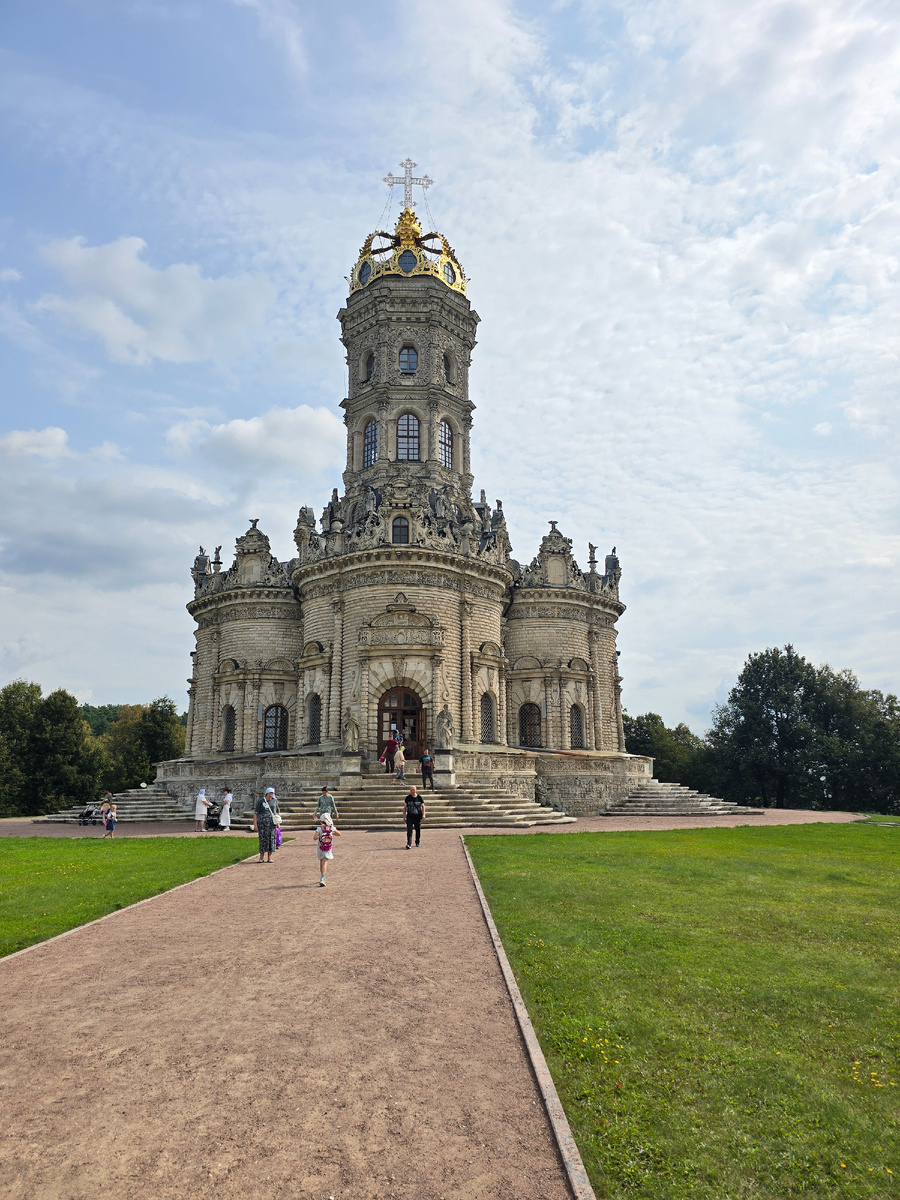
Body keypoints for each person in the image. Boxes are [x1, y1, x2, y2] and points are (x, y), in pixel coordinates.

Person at [253, 787, 280, 863]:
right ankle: (261, 857)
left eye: (272, 793)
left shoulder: (275, 801)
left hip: (272, 823)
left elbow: (277, 812)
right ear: (267, 793)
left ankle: (269, 857)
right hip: (262, 823)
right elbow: (256, 813)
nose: (271, 795)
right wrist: (255, 825)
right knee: (262, 839)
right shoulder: (261, 801)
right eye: (270, 793)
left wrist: (278, 823)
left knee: (271, 839)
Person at [314, 813, 341, 886]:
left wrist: (320, 835)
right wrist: (331, 833)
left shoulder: (319, 828)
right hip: (328, 847)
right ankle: (323, 877)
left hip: (320, 847)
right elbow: (339, 834)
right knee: (325, 862)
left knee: (321, 861)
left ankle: (322, 876)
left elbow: (315, 838)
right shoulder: (331, 828)